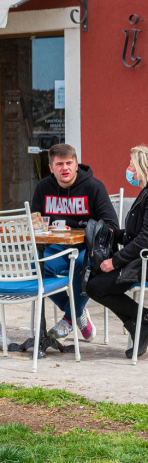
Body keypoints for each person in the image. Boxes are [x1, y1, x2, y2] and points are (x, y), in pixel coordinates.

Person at [30, 143, 118, 342]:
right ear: (51, 168)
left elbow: (112, 224)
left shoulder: (94, 187)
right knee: (37, 268)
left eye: (69, 163)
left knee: (83, 267)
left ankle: (69, 319)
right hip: (57, 247)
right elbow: (35, 220)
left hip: (86, 249)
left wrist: (88, 232)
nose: (65, 168)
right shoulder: (43, 187)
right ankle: (77, 311)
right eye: (59, 164)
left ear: (77, 164)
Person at [86, 145, 148, 358]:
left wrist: (116, 261)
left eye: (131, 164)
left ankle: (143, 320)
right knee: (96, 283)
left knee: (95, 286)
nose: (128, 168)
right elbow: (135, 234)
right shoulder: (144, 193)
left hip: (144, 262)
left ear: (141, 166)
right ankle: (138, 326)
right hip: (138, 260)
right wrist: (113, 233)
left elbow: (145, 239)